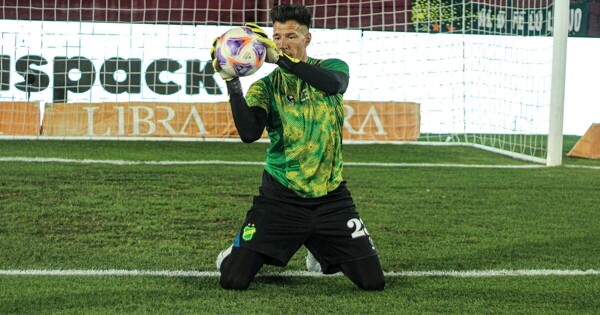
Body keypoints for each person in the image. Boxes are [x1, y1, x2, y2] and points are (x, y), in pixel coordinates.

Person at [209, 3, 385, 291]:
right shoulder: (265, 87)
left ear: (307, 38)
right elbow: (249, 133)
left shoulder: (331, 68)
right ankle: (235, 252)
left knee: (373, 282)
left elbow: (334, 85)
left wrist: (284, 61)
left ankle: (318, 247)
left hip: (331, 197)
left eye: (291, 36)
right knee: (233, 280)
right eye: (277, 37)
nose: (283, 43)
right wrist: (232, 84)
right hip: (281, 197)